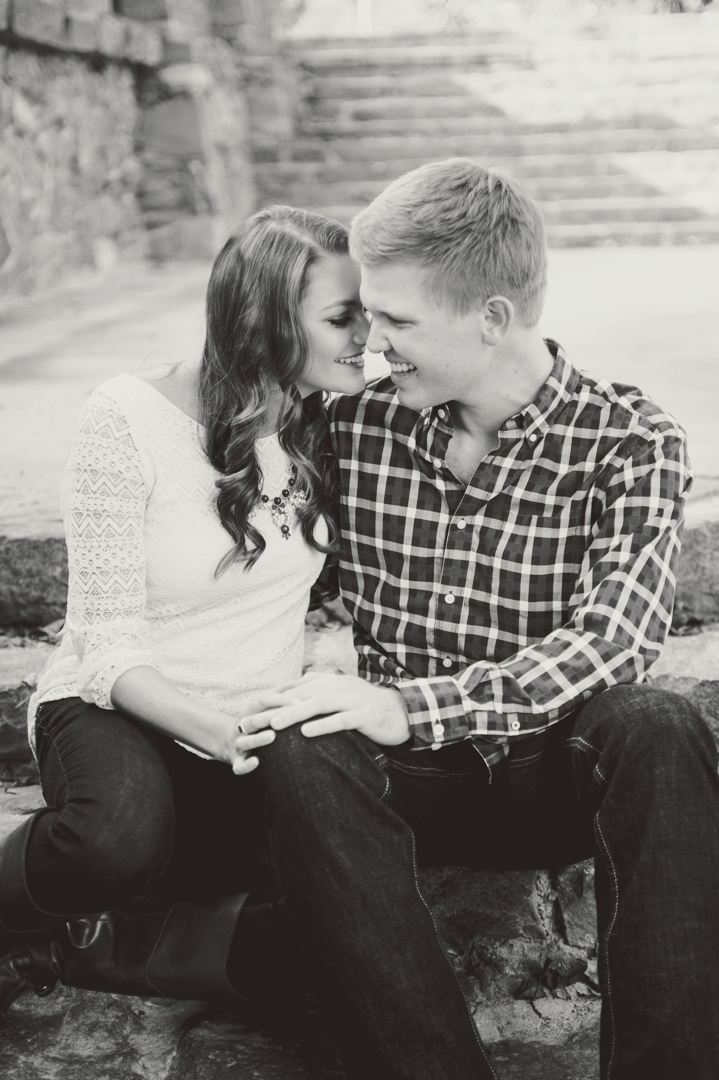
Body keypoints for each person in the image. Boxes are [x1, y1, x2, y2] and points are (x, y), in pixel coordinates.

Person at [240, 160, 719, 1079]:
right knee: (304, 742)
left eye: (398, 321)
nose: (371, 343)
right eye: (367, 317)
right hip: (397, 787)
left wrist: (417, 706)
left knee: (655, 723)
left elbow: (616, 637)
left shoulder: (629, 438)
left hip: (547, 769)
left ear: (491, 318)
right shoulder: (351, 422)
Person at [0, 205, 369, 1015]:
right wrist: (212, 733)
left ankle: (97, 947)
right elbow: (105, 648)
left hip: (252, 731)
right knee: (116, 837)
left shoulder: (332, 420)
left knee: (343, 923)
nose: (365, 335)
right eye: (342, 317)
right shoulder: (125, 419)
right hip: (121, 706)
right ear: (267, 318)